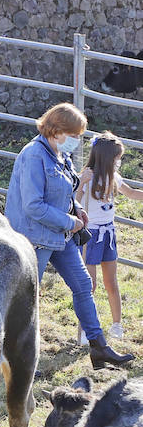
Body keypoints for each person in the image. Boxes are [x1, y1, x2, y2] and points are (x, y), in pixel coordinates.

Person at [5, 103, 133, 369]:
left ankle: (99, 348)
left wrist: (79, 209)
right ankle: (20, 362)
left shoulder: (59, 156)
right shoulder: (33, 156)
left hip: (60, 235)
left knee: (83, 286)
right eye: (74, 135)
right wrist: (70, 220)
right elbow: (33, 205)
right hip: (35, 239)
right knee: (28, 299)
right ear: (56, 130)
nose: (77, 141)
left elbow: (64, 191)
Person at [76, 131, 143, 341]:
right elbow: (74, 202)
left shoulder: (113, 177)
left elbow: (131, 193)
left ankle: (116, 325)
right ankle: (88, 329)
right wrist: (80, 183)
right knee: (90, 284)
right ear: (106, 158)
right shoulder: (87, 177)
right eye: (117, 158)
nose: (119, 162)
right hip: (91, 233)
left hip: (108, 232)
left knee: (112, 282)